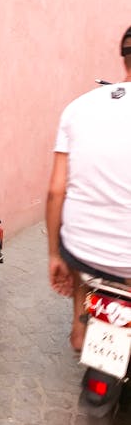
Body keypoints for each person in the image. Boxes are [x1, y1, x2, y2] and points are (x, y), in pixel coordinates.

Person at [46, 26, 131, 351]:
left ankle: (80, 328)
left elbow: (56, 192)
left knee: (82, 260)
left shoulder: (78, 107)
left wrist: (55, 254)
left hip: (83, 251)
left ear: (123, 58)